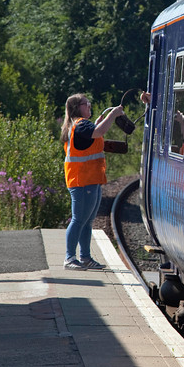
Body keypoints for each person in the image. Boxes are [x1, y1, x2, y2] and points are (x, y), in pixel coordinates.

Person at [60, 94, 125, 270]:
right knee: (79, 219)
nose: (89, 105)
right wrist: (114, 114)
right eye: (85, 103)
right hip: (82, 181)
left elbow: (92, 135)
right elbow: (98, 132)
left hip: (89, 180)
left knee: (87, 221)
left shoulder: (80, 125)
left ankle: (85, 257)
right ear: (76, 107)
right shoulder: (81, 124)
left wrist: (97, 123)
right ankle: (70, 258)